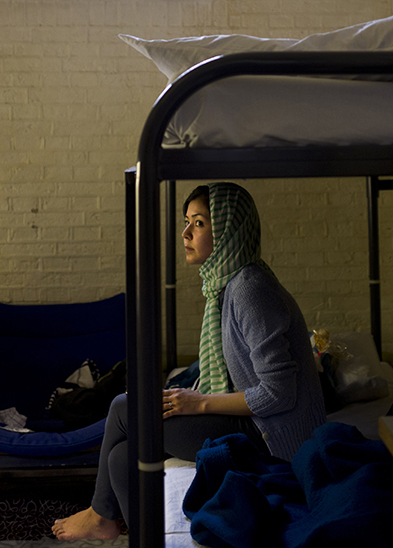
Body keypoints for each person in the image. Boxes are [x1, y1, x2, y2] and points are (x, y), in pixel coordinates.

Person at [53, 181, 326, 541]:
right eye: (187, 221)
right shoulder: (227, 283)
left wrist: (199, 404)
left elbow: (279, 394)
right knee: (121, 457)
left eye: (199, 223)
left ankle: (100, 514)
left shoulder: (249, 288)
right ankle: (134, 532)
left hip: (272, 438)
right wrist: (194, 392)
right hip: (256, 423)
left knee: (122, 407)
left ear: (228, 228)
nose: (185, 233)